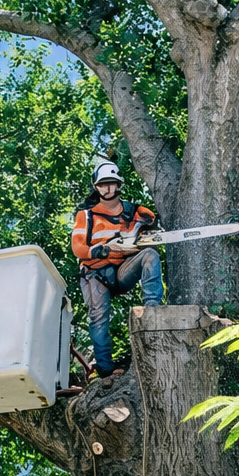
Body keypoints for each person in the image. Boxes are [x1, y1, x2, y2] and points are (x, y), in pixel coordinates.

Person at [71, 161, 164, 382]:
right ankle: (105, 368)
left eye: (111, 184)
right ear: (96, 187)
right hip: (95, 272)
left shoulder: (131, 211)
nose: (108, 189)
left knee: (150, 255)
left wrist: (143, 228)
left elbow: (149, 218)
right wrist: (104, 249)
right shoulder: (87, 216)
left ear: (118, 184)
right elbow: (78, 247)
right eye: (103, 185)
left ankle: (153, 312)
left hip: (122, 270)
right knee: (98, 317)